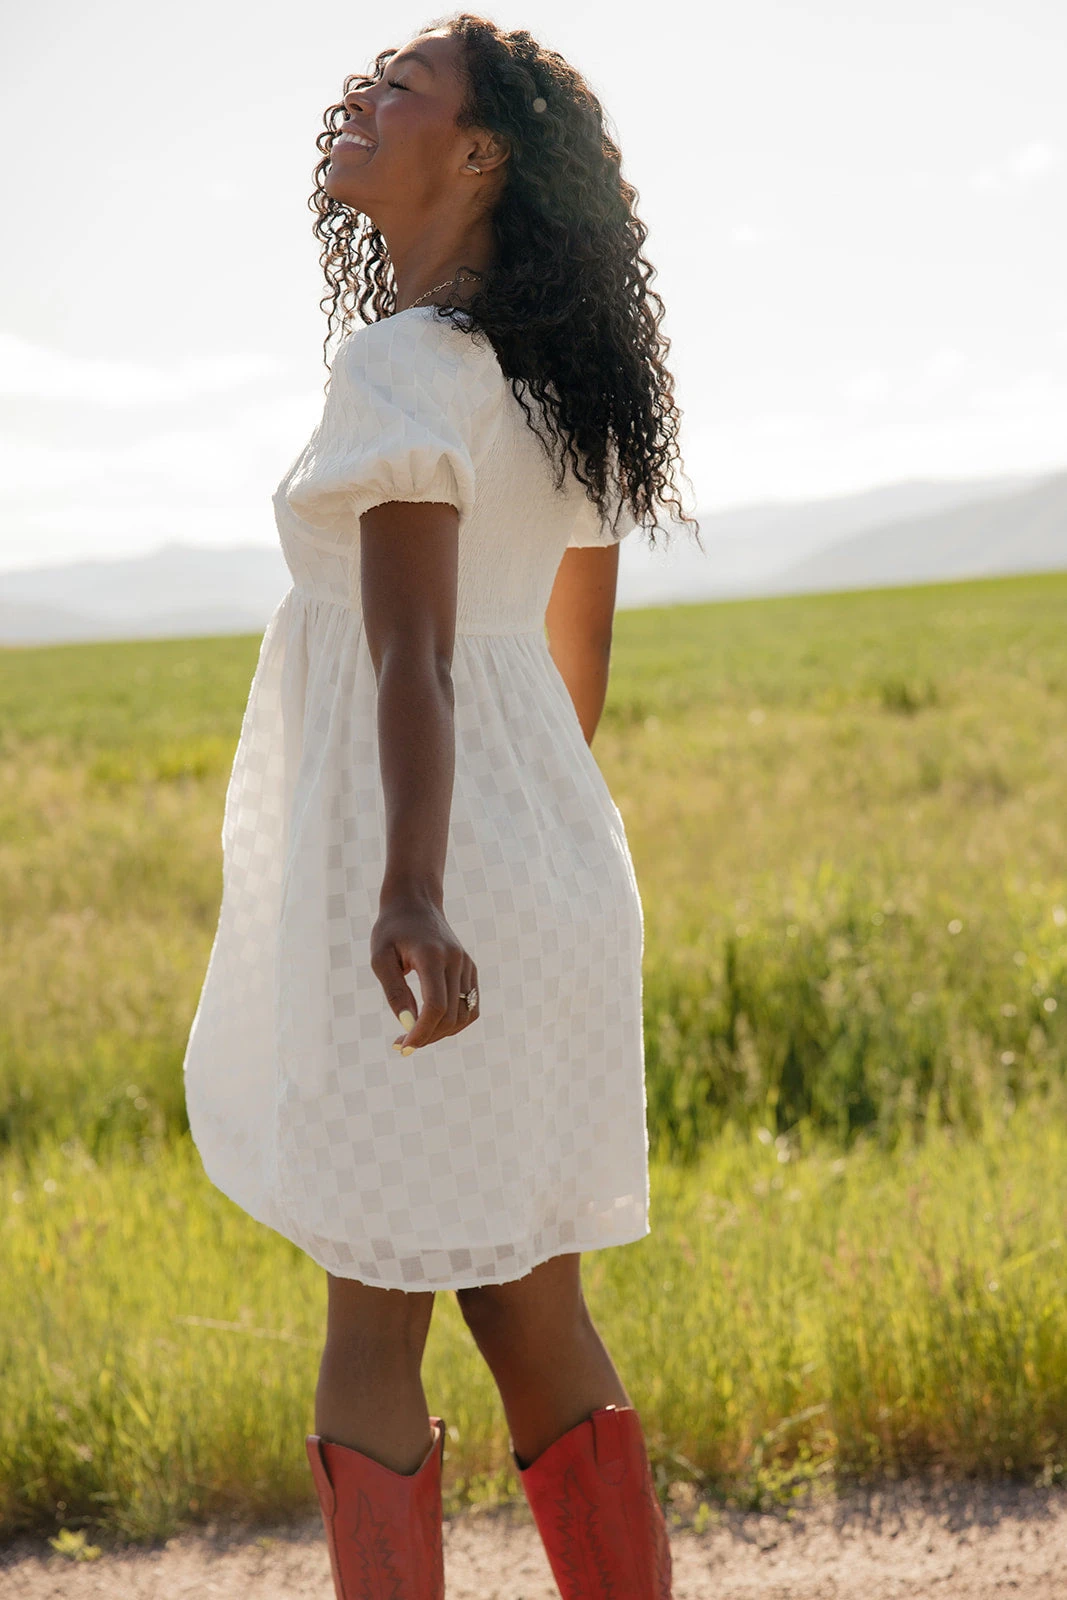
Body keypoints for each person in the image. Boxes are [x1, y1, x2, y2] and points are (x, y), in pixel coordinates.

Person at [182, 11, 695, 1596]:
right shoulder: (555, 387)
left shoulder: (400, 365)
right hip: (543, 861)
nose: (363, 96)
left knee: (370, 1330)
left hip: (418, 892)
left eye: (403, 87)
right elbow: (568, 669)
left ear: (476, 155)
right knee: (538, 1318)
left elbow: (409, 659)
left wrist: (410, 889)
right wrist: (520, 869)